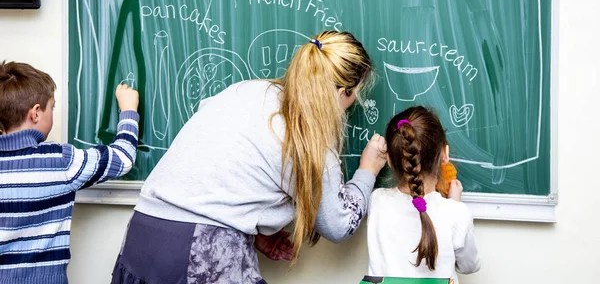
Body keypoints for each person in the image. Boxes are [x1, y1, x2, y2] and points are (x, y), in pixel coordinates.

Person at [111, 31, 388, 284]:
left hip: (141, 235)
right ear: (343, 93)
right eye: (356, 95)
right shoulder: (310, 135)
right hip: (199, 253)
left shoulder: (244, 90)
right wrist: (367, 171)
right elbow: (338, 225)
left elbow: (216, 166)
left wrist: (249, 232)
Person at [0, 61, 140, 284]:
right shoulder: (58, 162)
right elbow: (123, 158)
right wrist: (129, 110)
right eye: (51, 107)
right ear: (36, 113)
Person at [365, 106, 480, 283]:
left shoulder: (377, 201)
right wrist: (454, 204)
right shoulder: (456, 214)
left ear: (388, 160)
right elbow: (470, 265)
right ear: (444, 153)